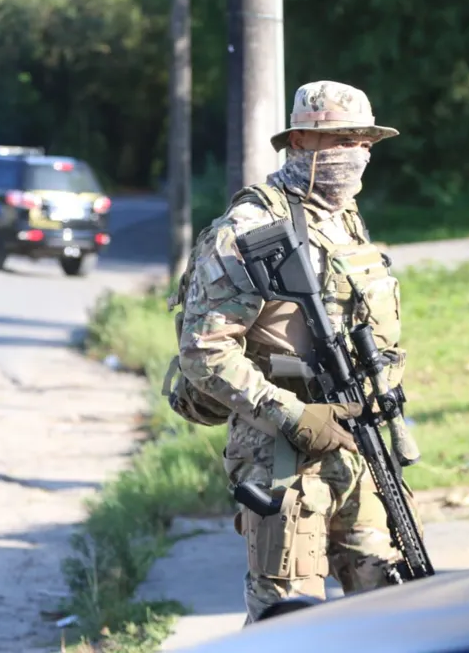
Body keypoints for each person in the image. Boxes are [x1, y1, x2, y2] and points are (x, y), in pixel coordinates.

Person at [162, 80, 422, 623]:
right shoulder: (251, 231)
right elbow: (204, 352)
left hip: (359, 445)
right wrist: (295, 415)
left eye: (365, 142)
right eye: (343, 140)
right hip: (281, 457)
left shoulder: (343, 221)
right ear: (301, 142)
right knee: (289, 621)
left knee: (393, 606)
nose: (359, 154)